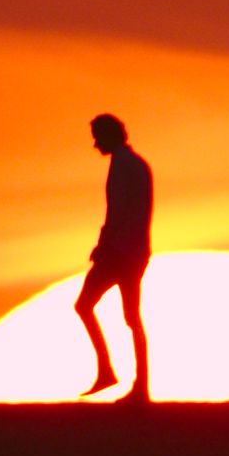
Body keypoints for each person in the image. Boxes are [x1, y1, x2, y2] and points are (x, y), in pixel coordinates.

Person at [75, 113, 153, 405]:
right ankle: (137, 385)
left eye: (98, 137)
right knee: (132, 318)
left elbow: (119, 212)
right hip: (134, 251)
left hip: (121, 252)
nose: (95, 144)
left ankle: (112, 374)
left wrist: (103, 246)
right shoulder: (136, 164)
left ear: (110, 136)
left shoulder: (123, 166)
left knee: (86, 306)